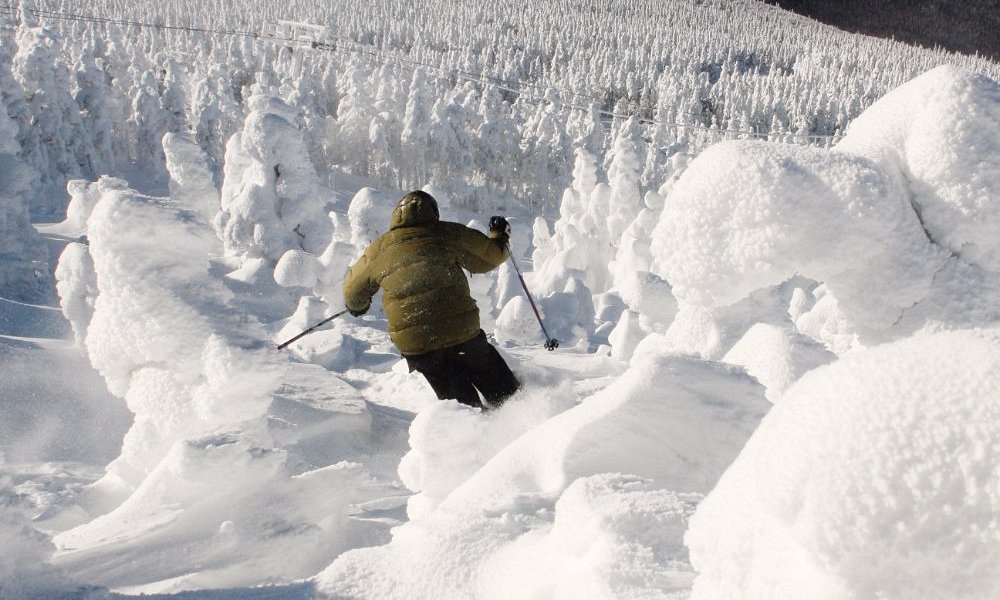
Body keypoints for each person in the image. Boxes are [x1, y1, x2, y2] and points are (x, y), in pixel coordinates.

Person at [343, 190, 520, 410]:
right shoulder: (446, 233)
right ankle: (519, 419)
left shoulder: (379, 249)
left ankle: (471, 430)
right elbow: (489, 257)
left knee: (460, 404)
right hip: (460, 332)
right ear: (433, 212)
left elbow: (352, 293)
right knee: (503, 392)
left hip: (418, 345)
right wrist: (500, 234)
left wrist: (358, 306)